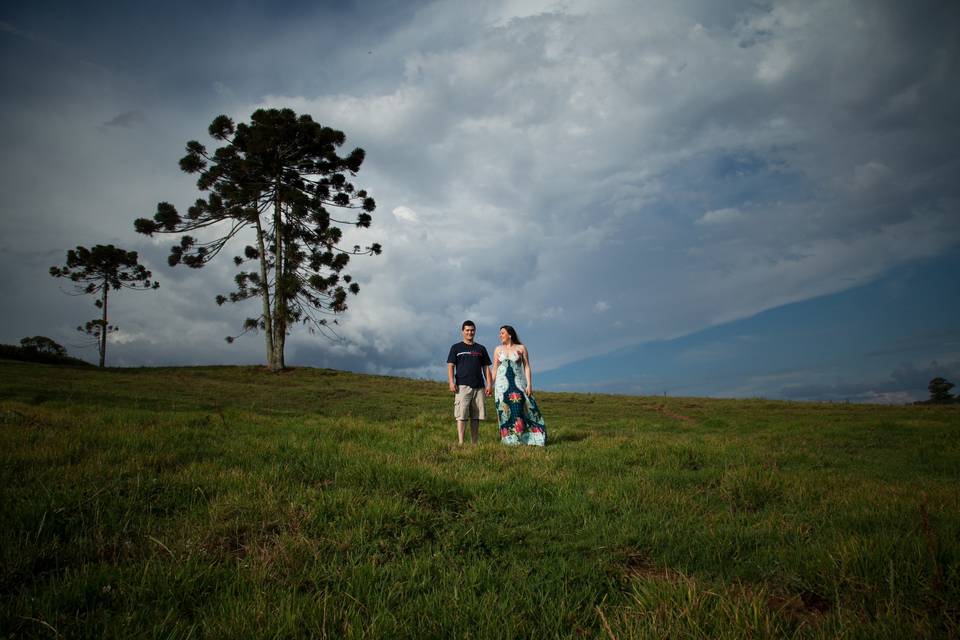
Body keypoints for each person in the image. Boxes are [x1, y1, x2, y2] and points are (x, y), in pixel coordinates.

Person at [493, 325, 546, 446]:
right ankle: (510, 440)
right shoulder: (497, 349)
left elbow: (527, 367)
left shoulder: (521, 348)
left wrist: (529, 385)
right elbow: (495, 368)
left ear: (509, 334)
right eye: (500, 333)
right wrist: (489, 385)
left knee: (523, 408)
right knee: (505, 411)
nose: (500, 335)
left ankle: (530, 437)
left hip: (518, 383)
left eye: (502, 333)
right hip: (502, 386)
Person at [446, 320, 493, 445]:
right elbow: (451, 365)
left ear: (475, 331)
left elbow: (486, 368)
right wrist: (451, 382)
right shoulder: (456, 347)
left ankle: (474, 443)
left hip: (479, 387)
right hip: (462, 386)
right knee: (461, 415)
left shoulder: (481, 348)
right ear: (462, 332)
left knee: (476, 417)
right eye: (467, 330)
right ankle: (461, 442)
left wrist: (489, 384)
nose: (469, 332)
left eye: (472, 330)